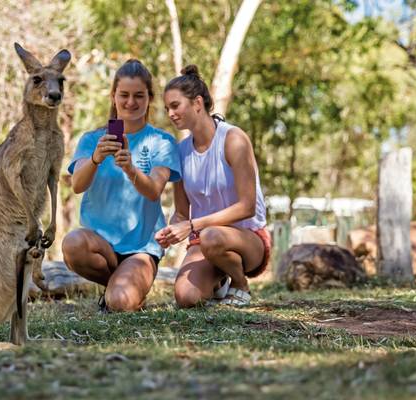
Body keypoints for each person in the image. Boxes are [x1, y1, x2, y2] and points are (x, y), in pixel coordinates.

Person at [61, 59, 181, 312]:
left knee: (119, 303)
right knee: (71, 243)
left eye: (139, 95)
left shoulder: (161, 141)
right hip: (100, 245)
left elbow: (154, 190)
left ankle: (124, 290)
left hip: (142, 247)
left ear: (149, 98)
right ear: (113, 96)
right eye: (124, 94)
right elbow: (77, 186)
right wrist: (95, 159)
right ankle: (119, 283)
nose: (131, 102)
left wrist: (130, 168)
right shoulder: (92, 139)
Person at [155, 65, 270, 308]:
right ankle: (219, 283)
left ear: (198, 103)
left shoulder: (233, 140)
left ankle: (240, 284)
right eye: (167, 109)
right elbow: (182, 214)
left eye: (175, 105)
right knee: (186, 298)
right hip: (206, 240)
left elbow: (247, 207)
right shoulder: (181, 152)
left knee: (211, 236)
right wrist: (169, 232)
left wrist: (193, 225)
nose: (171, 113)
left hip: (248, 238)